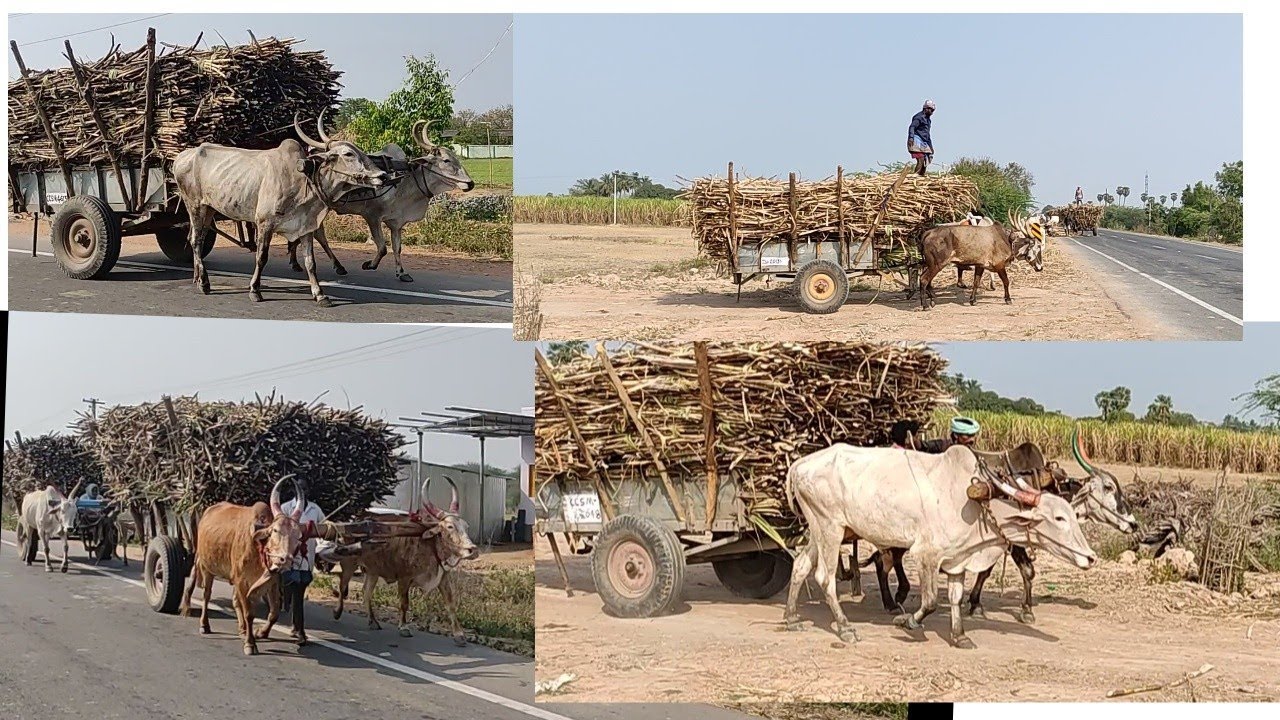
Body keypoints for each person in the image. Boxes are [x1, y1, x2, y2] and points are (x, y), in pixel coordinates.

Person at [280, 487, 326, 646]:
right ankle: (299, 630)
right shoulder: (285, 508)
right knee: (296, 593)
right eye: (300, 488)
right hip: (289, 558)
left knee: (298, 592)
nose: (304, 492)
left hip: (307, 559)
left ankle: (295, 625)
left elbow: (324, 528)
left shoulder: (315, 509)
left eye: (305, 488)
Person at [907, 100, 936, 176]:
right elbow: (912, 127)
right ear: (925, 108)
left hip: (924, 142)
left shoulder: (928, 120)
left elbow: (927, 134)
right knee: (921, 159)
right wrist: (911, 137)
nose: (932, 112)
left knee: (925, 161)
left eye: (933, 110)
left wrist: (931, 146)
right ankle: (915, 177)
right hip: (915, 140)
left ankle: (921, 176)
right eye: (930, 109)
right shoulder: (919, 117)